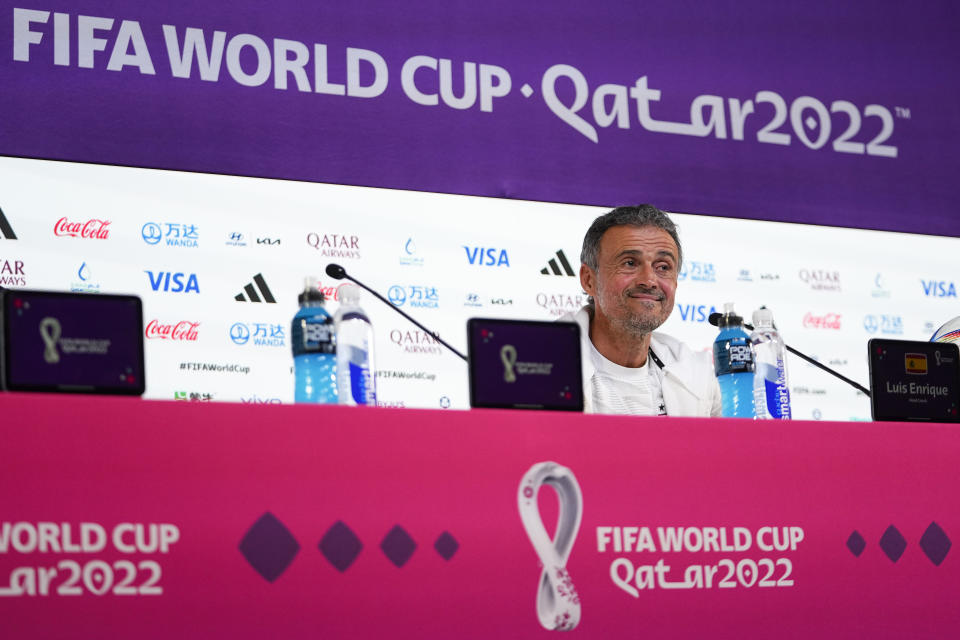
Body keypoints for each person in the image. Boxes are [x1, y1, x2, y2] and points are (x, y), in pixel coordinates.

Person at [560, 205, 722, 416]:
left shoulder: (698, 374)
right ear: (589, 280)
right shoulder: (539, 364)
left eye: (663, 267)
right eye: (630, 263)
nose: (649, 280)